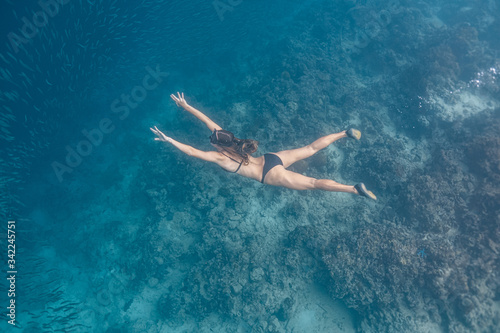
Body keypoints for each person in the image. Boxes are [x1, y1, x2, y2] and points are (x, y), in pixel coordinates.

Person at [150, 92, 376, 200]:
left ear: (217, 147)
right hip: (271, 158)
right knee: (309, 149)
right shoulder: (229, 138)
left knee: (313, 183)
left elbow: (192, 151)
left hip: (268, 173)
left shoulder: (220, 157)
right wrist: (186, 106)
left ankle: (353, 189)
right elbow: (207, 121)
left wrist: (168, 139)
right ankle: (344, 133)